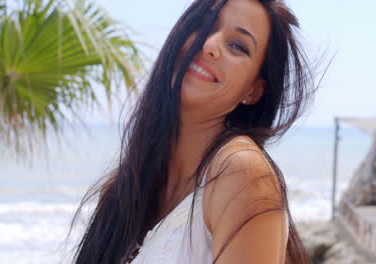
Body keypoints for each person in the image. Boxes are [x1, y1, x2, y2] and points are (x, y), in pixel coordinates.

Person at [66, 0, 316, 263]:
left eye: (237, 46)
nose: (209, 46)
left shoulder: (242, 172)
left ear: (253, 90)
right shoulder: (125, 188)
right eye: (203, 24)